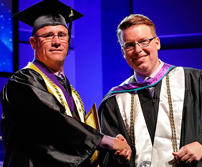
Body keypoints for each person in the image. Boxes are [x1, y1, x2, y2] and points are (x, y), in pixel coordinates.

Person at [0, 0, 131, 166]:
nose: (56, 42)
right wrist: (107, 142)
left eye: (62, 35)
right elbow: (54, 124)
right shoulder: (21, 83)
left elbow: (74, 144)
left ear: (68, 41)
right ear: (33, 43)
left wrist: (107, 154)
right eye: (48, 36)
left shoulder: (70, 90)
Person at [98, 14, 202, 167]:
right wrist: (118, 158)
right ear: (123, 52)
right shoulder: (114, 101)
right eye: (129, 45)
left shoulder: (194, 81)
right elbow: (108, 159)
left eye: (143, 41)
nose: (138, 50)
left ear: (157, 43)